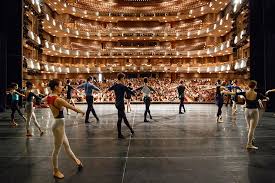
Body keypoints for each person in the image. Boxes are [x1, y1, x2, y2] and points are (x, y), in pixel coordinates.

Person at [46, 79, 85, 179]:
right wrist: (82, 112)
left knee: (67, 146)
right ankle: (55, 171)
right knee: (56, 150)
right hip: (58, 125)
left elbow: (43, 100)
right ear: (55, 87)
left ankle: (77, 161)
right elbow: (72, 107)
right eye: (60, 85)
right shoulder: (58, 99)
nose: (62, 87)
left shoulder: (49, 97)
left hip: (58, 124)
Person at [237, 80, 269, 150]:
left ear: (248, 86)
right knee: (252, 129)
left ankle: (251, 138)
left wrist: (225, 92)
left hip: (247, 111)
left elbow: (234, 93)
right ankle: (249, 144)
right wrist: (267, 98)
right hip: (254, 111)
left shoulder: (245, 93)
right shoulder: (258, 94)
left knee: (249, 127)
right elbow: (266, 98)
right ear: (255, 86)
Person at [108, 73, 135, 139]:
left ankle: (129, 131)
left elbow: (109, 89)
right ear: (122, 78)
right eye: (124, 78)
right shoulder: (123, 86)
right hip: (121, 104)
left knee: (120, 119)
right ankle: (125, 132)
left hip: (116, 103)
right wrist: (134, 93)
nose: (124, 79)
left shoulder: (115, 85)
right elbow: (131, 92)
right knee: (123, 118)